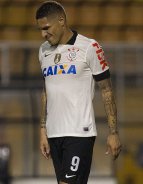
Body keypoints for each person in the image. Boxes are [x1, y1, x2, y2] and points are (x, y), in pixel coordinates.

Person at [35, 1, 122, 184]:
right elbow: (46, 90)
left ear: (61, 20)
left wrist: (113, 132)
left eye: (46, 28)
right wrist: (43, 129)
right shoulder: (43, 51)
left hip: (79, 133)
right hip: (54, 133)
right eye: (41, 30)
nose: (43, 34)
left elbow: (106, 90)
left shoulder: (89, 47)